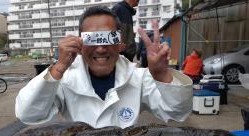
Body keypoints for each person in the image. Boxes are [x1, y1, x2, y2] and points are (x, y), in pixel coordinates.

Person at [15, 6, 193, 129]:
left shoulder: (138, 77)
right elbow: (28, 114)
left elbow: (177, 113)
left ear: (120, 43)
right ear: (79, 43)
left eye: (109, 38)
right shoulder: (65, 78)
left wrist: (162, 75)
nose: (100, 48)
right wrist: (58, 68)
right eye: (92, 39)